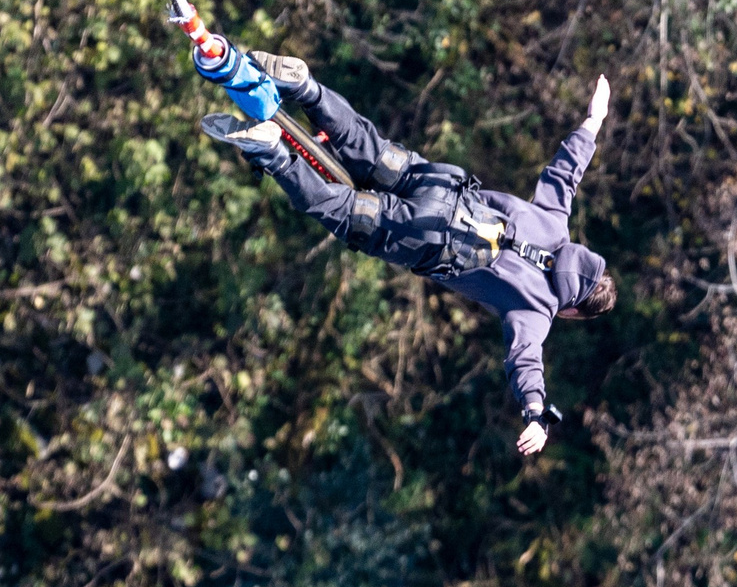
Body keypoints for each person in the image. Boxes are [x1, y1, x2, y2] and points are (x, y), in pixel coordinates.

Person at [202, 55, 617, 458]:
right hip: (425, 236)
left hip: (441, 185)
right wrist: (535, 415)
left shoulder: (555, 222)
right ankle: (272, 153)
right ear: (574, 310)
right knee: (343, 212)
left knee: (371, 147)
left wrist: (593, 121)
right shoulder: (537, 312)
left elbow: (566, 171)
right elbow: (524, 364)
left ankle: (306, 89)